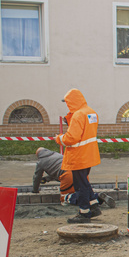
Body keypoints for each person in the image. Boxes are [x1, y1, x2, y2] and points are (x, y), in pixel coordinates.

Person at [54, 89, 101, 223]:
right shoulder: (91, 112)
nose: (67, 105)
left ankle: (84, 213)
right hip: (89, 154)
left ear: (72, 101)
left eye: (67, 102)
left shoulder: (78, 115)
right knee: (84, 181)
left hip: (79, 156)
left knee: (80, 185)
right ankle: (94, 205)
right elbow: (84, 131)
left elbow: (72, 138)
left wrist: (59, 138)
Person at [32, 147, 114, 208]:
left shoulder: (40, 162)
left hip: (67, 176)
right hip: (79, 172)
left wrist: (35, 190)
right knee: (83, 192)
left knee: (65, 197)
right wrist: (47, 179)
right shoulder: (57, 154)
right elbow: (58, 170)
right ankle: (98, 197)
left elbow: (37, 177)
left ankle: (70, 199)